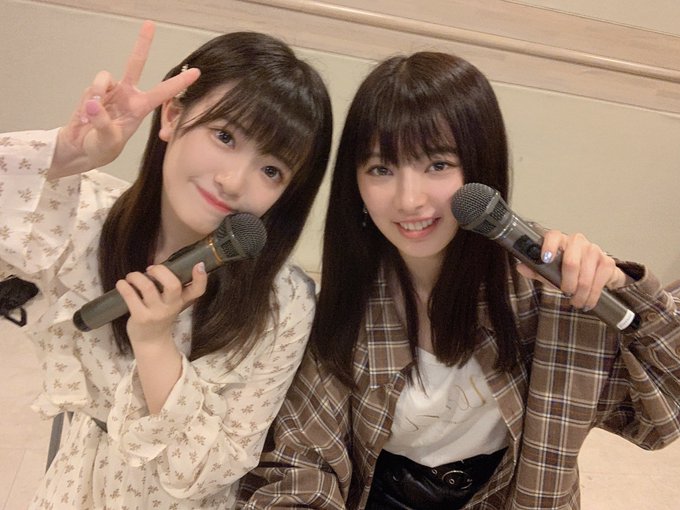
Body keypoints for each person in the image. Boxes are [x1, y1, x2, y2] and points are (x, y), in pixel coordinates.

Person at [239, 51, 680, 509]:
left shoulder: (547, 289)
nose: (409, 200)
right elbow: (302, 462)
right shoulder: (348, 301)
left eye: (438, 165)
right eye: (381, 169)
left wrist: (621, 288)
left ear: (480, 168)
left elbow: (660, 418)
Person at [0, 20, 332, 509]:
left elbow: (212, 469)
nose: (233, 181)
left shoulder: (284, 303)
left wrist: (155, 345)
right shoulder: (86, 216)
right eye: (225, 136)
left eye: (271, 169)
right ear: (173, 116)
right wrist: (62, 158)